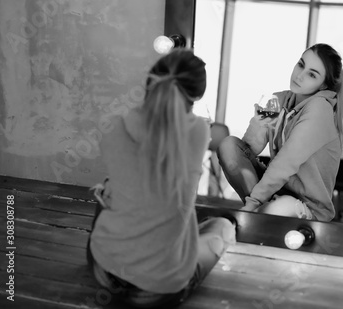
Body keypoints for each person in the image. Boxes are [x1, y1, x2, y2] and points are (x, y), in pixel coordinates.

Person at [87, 49, 236, 308]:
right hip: (157, 288)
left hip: (103, 268)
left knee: (108, 190)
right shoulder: (198, 132)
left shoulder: (112, 126)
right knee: (222, 227)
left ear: (149, 82)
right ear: (197, 96)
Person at [217, 43, 343, 222]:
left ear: (324, 84)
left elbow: (285, 163)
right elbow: (247, 150)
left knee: (279, 208)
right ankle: (260, 212)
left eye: (312, 74)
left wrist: (252, 202)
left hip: (308, 206)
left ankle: (258, 211)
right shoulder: (279, 99)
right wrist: (258, 124)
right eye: (301, 64)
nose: (300, 76)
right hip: (277, 191)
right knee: (228, 146)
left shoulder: (320, 110)